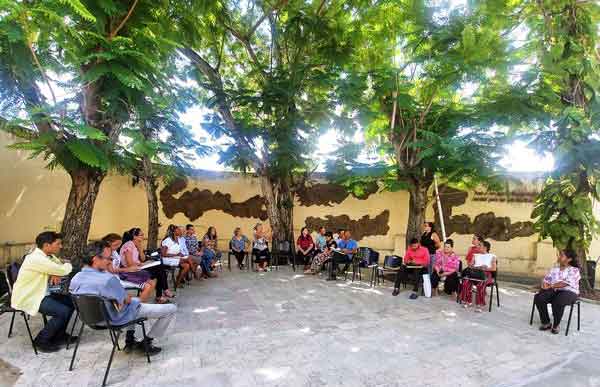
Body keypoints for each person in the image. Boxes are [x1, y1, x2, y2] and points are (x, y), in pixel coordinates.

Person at [69, 241, 177, 355]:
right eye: (109, 258)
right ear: (95, 259)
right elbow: (127, 300)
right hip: (113, 319)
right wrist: (130, 298)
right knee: (170, 309)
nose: (111, 262)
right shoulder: (108, 279)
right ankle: (147, 342)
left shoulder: (76, 277)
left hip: (90, 320)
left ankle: (129, 340)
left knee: (131, 305)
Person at [11, 231, 74, 352]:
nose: (61, 246)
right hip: (30, 296)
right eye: (58, 244)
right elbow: (64, 269)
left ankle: (59, 336)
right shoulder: (37, 258)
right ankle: (41, 341)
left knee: (71, 302)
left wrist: (56, 270)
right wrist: (58, 270)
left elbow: (60, 265)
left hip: (41, 292)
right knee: (62, 311)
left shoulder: (47, 255)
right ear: (46, 245)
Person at [120, 228, 173, 303]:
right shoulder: (129, 245)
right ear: (135, 237)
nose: (143, 237)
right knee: (159, 270)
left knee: (160, 268)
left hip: (138, 267)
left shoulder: (136, 244)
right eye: (141, 235)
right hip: (130, 270)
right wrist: (141, 264)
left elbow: (143, 259)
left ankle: (162, 293)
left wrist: (140, 249)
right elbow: (130, 264)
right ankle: (162, 293)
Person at [534, 249, 581, 334]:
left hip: (569, 292)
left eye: (562, 255)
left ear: (569, 259)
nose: (559, 257)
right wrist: (544, 284)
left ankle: (556, 325)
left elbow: (565, 283)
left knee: (559, 300)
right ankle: (546, 322)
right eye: (559, 255)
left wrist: (551, 286)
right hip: (555, 290)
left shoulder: (574, 270)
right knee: (539, 297)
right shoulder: (554, 269)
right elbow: (546, 279)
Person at [102, 233, 155, 302]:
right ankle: (136, 306)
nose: (118, 247)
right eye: (116, 245)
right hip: (114, 279)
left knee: (149, 284)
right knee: (147, 285)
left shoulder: (114, 251)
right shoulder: (106, 253)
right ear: (109, 243)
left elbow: (118, 264)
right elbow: (112, 270)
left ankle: (137, 305)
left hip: (119, 276)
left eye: (119, 245)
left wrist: (136, 265)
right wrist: (128, 269)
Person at [459, 240, 497, 312]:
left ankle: (479, 305)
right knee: (466, 282)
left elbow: (494, 268)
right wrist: (476, 267)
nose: (478, 247)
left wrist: (486, 268)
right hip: (475, 273)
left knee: (481, 284)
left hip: (486, 274)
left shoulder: (492, 256)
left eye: (480, 245)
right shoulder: (475, 255)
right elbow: (470, 265)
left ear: (485, 248)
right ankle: (468, 301)